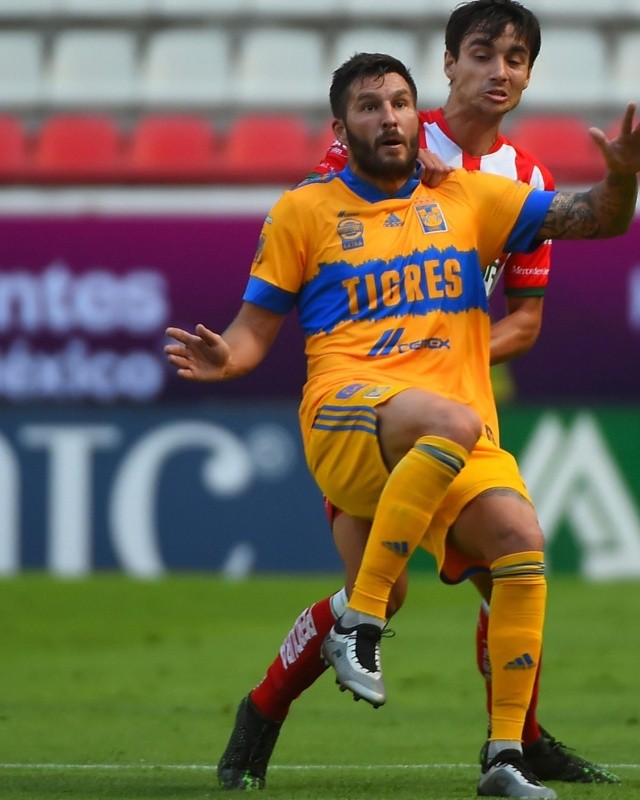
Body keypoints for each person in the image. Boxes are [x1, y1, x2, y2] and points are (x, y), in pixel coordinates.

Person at [165, 49, 639, 799]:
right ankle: (362, 625)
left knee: (521, 543)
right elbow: (253, 332)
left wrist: (624, 177)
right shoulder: (304, 211)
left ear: (419, 118)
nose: (388, 116)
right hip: (349, 416)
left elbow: (603, 220)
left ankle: (505, 755)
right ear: (339, 126)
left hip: (442, 437)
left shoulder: (474, 200)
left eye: (398, 103)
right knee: (445, 426)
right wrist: (227, 357)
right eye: (368, 105)